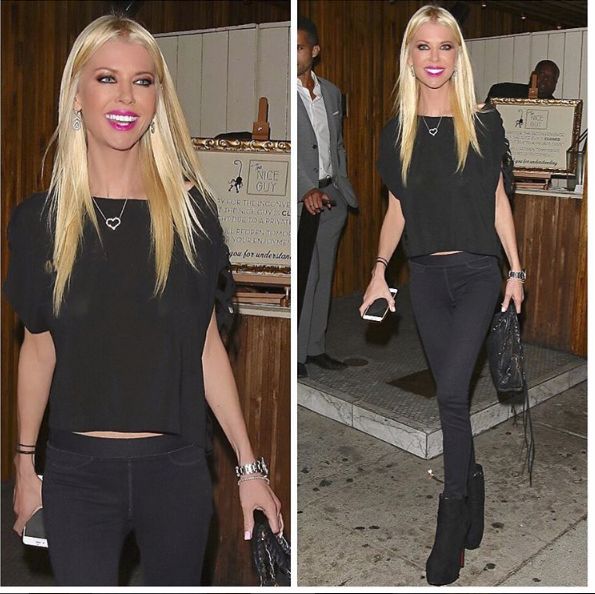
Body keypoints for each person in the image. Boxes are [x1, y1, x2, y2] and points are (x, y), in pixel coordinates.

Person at [5, 14, 282, 586]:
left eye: (143, 81)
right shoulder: (40, 222)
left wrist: (249, 468)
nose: (126, 96)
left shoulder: (191, 216)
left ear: (158, 99)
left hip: (176, 471)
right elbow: (38, 349)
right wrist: (25, 466)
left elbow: (205, 346)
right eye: (106, 78)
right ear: (76, 94)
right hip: (78, 474)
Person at [360, 5, 524, 586]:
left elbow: (498, 200)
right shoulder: (396, 132)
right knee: (452, 400)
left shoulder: (483, 122)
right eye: (423, 46)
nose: (434, 57)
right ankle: (472, 485)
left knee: (451, 394)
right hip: (425, 279)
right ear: (409, 55)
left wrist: (516, 270)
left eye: (445, 46)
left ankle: (450, 523)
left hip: (479, 273)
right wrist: (379, 272)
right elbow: (396, 210)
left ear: (459, 55)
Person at [297, 16, 358, 379]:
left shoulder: (332, 93)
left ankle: (315, 347)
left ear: (315, 51)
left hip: (332, 195)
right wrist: (305, 188)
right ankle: (296, 354)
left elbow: (337, 144)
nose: (293, 55)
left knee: (325, 273)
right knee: (308, 274)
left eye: (300, 48)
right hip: (304, 198)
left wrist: (341, 184)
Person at [486, 59, 559, 101]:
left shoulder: (558, 109)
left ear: (555, 83)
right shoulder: (502, 91)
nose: (545, 79)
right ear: (533, 75)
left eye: (551, 77)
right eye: (542, 74)